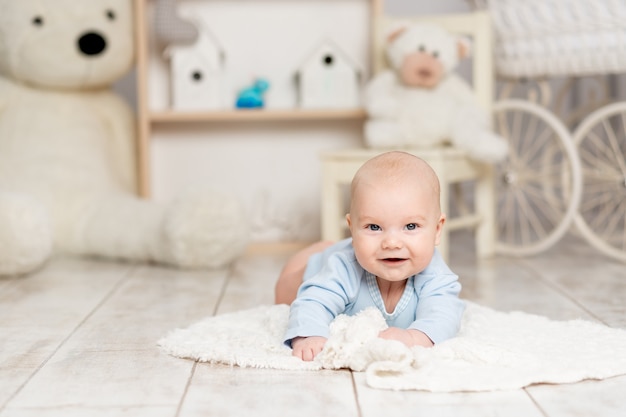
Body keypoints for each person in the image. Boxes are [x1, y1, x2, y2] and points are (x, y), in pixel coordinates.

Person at [275, 151, 465, 362]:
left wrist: (413, 337)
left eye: (410, 226)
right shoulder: (344, 267)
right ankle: (323, 249)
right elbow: (313, 302)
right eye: (374, 227)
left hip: (347, 251)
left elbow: (445, 316)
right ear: (352, 229)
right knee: (284, 297)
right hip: (314, 266)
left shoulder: (436, 276)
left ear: (437, 229)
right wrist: (309, 335)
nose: (392, 243)